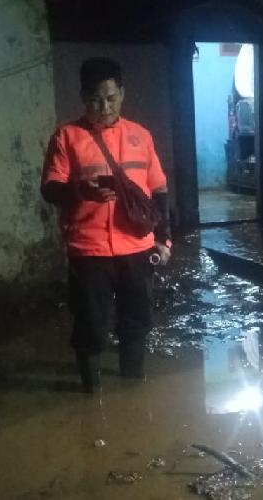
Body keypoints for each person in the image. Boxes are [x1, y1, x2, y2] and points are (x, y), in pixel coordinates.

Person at [41, 57, 171, 393]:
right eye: (97, 99)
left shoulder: (141, 136)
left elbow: (158, 190)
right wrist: (80, 190)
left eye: (112, 98)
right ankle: (91, 393)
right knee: (90, 325)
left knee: (137, 321)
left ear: (122, 94)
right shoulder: (67, 137)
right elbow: (50, 189)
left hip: (137, 249)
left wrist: (164, 240)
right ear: (84, 96)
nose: (105, 106)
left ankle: (133, 386)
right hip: (89, 250)